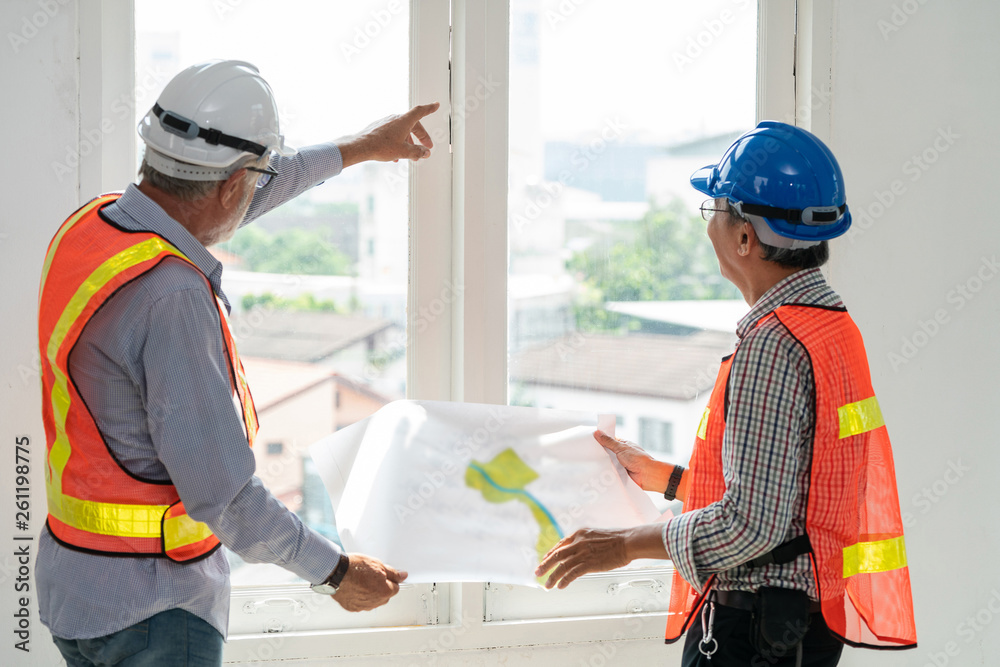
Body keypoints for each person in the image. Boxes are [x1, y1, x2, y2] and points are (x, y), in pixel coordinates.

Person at [36, 60, 439, 666]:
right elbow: (223, 495)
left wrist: (359, 148)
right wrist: (334, 571)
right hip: (153, 612)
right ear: (229, 186)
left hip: (75, 586)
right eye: (251, 183)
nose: (255, 195)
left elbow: (229, 201)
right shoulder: (169, 295)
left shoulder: (93, 229)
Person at [536, 121, 917, 666]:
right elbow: (793, 501)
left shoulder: (774, 343)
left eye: (712, 209)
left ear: (745, 238)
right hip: (800, 628)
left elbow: (750, 525)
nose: (707, 225)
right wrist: (669, 480)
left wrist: (620, 546)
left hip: (757, 637)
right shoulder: (829, 326)